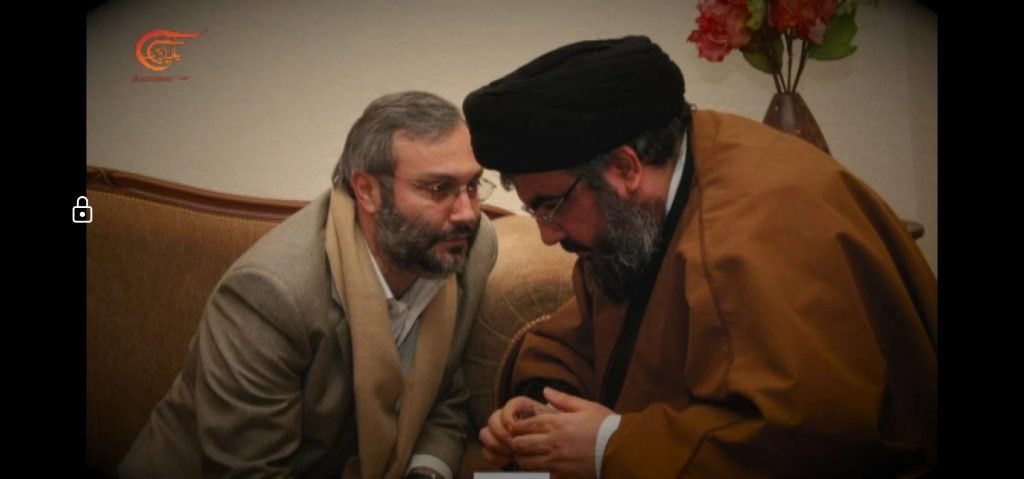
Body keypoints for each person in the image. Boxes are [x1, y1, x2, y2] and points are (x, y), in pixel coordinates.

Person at [464, 36, 937, 478]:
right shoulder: (640, 211)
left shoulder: (757, 230)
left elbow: (811, 436)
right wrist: (542, 407)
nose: (547, 236)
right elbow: (580, 339)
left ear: (625, 166)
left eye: (552, 206)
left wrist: (611, 446)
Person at [119, 91, 498, 479]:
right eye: (438, 189)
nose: (466, 213)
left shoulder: (469, 248)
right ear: (367, 191)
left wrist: (427, 472)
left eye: (472, 186)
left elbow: (445, 395)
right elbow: (251, 471)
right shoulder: (270, 293)